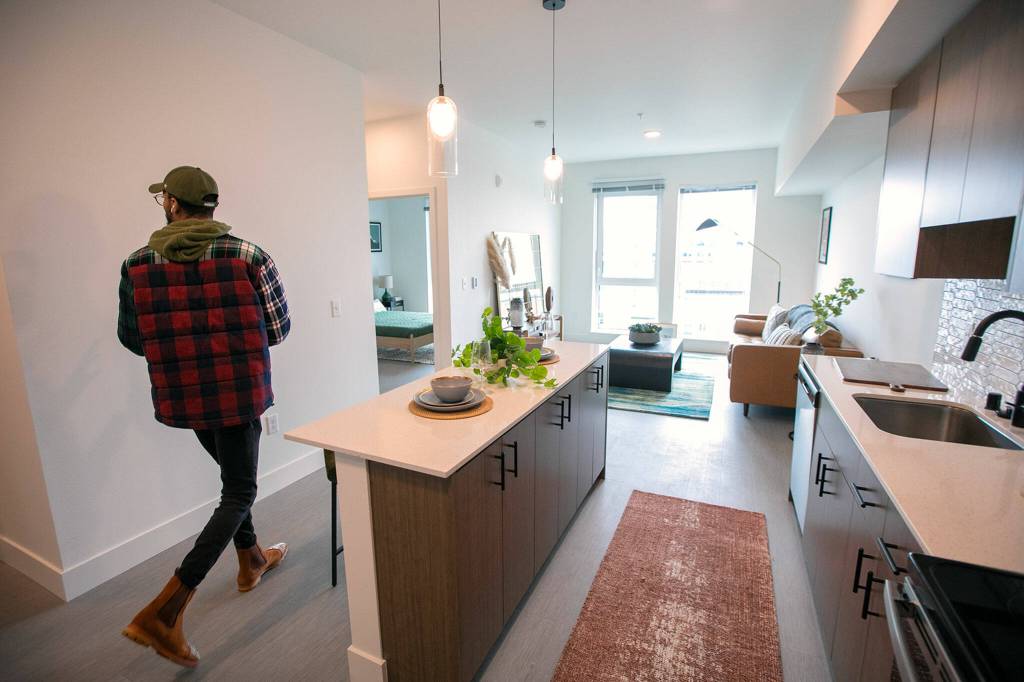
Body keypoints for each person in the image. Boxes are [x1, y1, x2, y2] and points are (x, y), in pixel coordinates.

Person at [117, 166, 291, 668]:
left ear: (172, 203)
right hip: (239, 396)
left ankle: (251, 559)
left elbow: (132, 339)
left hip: (185, 398)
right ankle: (165, 612)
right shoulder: (248, 256)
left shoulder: (136, 264)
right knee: (240, 490)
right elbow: (278, 328)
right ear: (212, 206)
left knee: (232, 483)